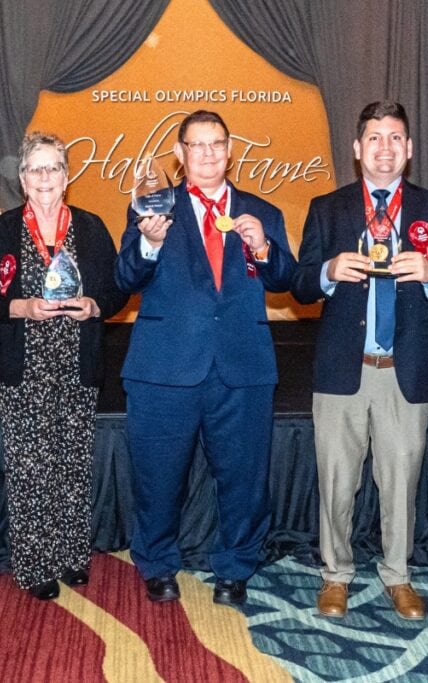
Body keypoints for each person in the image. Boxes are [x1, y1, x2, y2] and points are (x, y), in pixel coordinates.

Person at [292, 101, 428, 620]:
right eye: (374, 138)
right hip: (341, 371)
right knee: (336, 482)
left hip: (405, 371)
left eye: (395, 138)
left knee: (401, 481)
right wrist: (327, 270)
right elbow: (299, 284)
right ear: (357, 149)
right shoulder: (327, 208)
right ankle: (336, 576)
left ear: (409, 149)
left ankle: (398, 575)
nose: (385, 148)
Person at [115, 110, 296, 606]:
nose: (209, 153)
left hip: (242, 368)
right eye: (197, 145)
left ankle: (235, 568)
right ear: (180, 154)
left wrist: (263, 247)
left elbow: (289, 280)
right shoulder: (151, 206)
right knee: (157, 476)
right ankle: (156, 564)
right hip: (164, 368)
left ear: (230, 150)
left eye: (217, 143)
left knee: (243, 478)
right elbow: (123, 278)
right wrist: (149, 244)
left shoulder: (262, 211)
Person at [0, 132, 127, 600]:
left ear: (67, 176)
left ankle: (71, 555)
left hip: (77, 361)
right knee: (30, 466)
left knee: (74, 462)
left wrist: (95, 306)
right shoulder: (1, 232)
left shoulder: (92, 228)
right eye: (35, 168)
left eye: (53, 167)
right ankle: (35, 563)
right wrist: (22, 308)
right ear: (21, 178)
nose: (44, 177)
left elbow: (118, 291)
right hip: (25, 365)